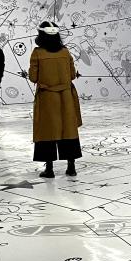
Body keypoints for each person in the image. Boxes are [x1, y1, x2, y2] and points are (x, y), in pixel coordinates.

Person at [29, 20, 82, 178]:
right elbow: (72, 75)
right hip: (66, 96)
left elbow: (33, 78)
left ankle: (49, 169)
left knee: (47, 132)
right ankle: (71, 167)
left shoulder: (37, 53)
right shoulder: (65, 52)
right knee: (68, 130)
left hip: (47, 97)